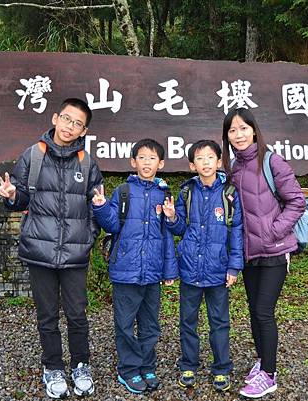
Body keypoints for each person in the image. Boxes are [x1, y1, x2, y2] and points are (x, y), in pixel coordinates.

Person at [0, 98, 102, 399]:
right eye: (67, 119)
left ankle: (81, 364)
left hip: (75, 255)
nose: (70, 127)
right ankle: (53, 366)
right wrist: (11, 196)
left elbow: (97, 207)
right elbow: (19, 199)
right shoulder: (33, 156)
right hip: (39, 252)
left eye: (78, 123)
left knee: (78, 315)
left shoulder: (87, 163)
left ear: (84, 131)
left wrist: (88, 236)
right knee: (47, 316)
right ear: (56, 118)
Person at [221, 108, 305, 399]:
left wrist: (273, 232)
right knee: (254, 312)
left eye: (243, 128)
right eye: (232, 130)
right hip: (248, 254)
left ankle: (269, 374)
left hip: (274, 251)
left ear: (254, 130)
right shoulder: (232, 169)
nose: (239, 134)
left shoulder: (272, 161)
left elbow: (297, 202)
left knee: (263, 312)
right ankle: (262, 361)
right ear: (227, 136)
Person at [91, 138, 178, 394]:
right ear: (133, 162)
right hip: (126, 271)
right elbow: (113, 226)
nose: (147, 162)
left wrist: (169, 270)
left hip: (152, 272)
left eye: (152, 158)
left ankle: (147, 365)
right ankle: (129, 369)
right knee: (126, 324)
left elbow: (166, 236)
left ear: (160, 163)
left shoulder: (164, 194)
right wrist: (101, 207)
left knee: (150, 324)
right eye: (142, 157)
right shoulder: (123, 191)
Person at [163, 140, 244, 392]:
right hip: (189, 269)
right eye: (200, 158)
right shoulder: (186, 192)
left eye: (210, 157)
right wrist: (172, 217)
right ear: (192, 164)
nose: (206, 162)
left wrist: (234, 267)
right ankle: (189, 363)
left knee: (219, 321)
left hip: (219, 270)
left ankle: (221, 367)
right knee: (188, 320)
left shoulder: (230, 193)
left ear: (219, 162)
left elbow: (237, 232)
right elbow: (178, 229)